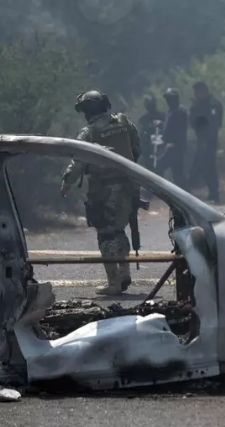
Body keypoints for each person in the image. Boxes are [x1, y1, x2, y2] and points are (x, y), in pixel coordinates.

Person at [60, 90, 140, 296]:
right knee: (119, 229)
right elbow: (136, 147)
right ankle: (124, 272)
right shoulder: (124, 123)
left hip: (103, 190)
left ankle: (114, 281)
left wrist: (66, 184)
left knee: (106, 233)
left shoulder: (89, 132)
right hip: (129, 185)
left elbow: (78, 162)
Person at [189, 81, 223, 202]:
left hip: (210, 141)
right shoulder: (197, 105)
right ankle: (209, 193)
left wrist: (207, 137)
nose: (196, 94)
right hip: (200, 140)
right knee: (201, 167)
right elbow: (192, 122)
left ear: (204, 91)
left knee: (210, 167)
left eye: (198, 91)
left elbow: (216, 123)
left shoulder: (213, 104)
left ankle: (215, 194)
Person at [158, 87, 188, 188]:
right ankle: (184, 193)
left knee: (159, 167)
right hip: (172, 147)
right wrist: (161, 125)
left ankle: (160, 189)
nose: (168, 101)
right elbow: (169, 126)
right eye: (167, 98)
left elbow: (177, 129)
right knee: (178, 174)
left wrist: (168, 141)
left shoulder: (180, 111)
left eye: (170, 98)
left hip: (176, 147)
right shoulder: (171, 111)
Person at [137, 94, 165, 171]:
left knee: (159, 170)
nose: (149, 105)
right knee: (149, 169)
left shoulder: (162, 116)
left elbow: (166, 132)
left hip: (159, 148)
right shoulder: (143, 119)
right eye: (147, 103)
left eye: (150, 103)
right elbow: (141, 135)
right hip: (147, 149)